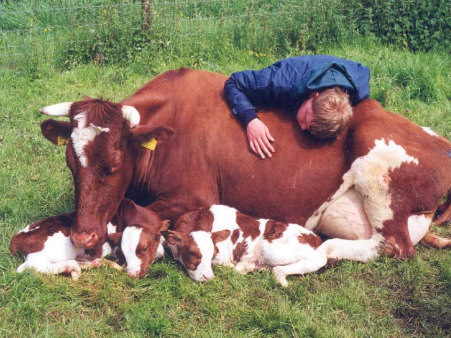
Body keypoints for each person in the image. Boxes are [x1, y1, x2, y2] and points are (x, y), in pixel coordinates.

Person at [224, 55, 370, 159]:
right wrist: (250, 120)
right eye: (306, 118)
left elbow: (364, 70)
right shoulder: (282, 82)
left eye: (309, 129)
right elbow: (234, 82)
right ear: (314, 95)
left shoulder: (360, 88)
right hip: (297, 73)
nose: (303, 127)